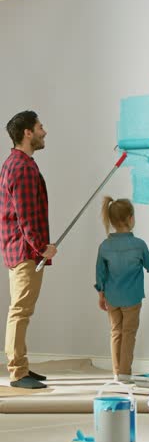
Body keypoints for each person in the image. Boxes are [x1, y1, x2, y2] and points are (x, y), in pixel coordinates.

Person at [0, 110, 57, 389]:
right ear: (27, 133)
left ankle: (22, 366)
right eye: (40, 127)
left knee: (22, 310)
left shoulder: (18, 163)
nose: (44, 131)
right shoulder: (21, 167)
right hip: (25, 252)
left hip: (23, 250)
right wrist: (41, 247)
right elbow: (24, 216)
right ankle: (17, 372)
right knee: (20, 311)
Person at [95, 196, 149, 382]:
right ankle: (125, 372)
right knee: (128, 333)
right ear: (131, 218)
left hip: (112, 297)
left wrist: (101, 295)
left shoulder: (105, 246)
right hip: (132, 298)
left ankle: (117, 372)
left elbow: (100, 274)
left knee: (115, 332)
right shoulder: (138, 245)